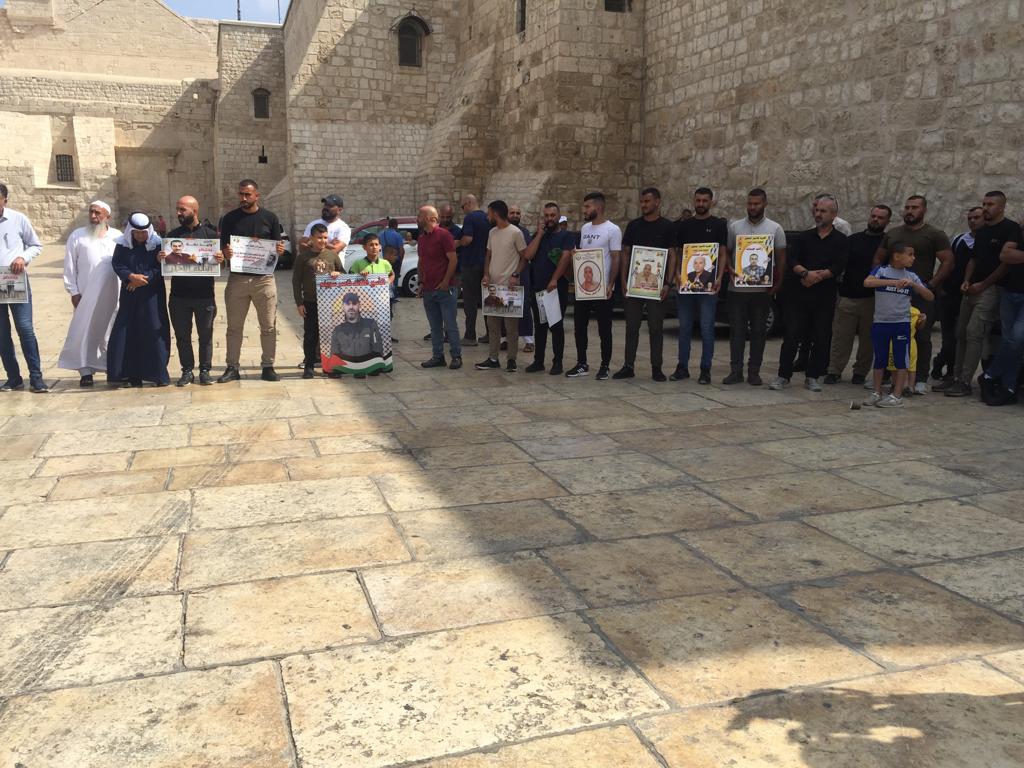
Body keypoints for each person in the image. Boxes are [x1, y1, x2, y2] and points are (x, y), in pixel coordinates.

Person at [873, 195, 953, 393]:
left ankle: (920, 379)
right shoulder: (893, 233)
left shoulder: (934, 234)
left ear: (924, 210)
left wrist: (931, 285)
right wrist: (881, 281)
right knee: (890, 336)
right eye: (907, 207)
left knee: (921, 336)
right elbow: (878, 258)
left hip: (919, 292)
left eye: (914, 207)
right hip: (893, 293)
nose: (910, 211)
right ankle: (888, 376)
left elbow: (948, 261)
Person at [770, 196, 848, 392]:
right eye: (817, 210)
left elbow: (839, 265)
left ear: (834, 214)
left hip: (824, 296)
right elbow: (792, 260)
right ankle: (783, 375)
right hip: (799, 294)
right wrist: (805, 273)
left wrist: (818, 277)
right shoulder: (804, 237)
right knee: (792, 335)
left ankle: (812, 376)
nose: (818, 214)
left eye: (823, 211)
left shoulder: (841, 240)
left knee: (821, 337)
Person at [947, 193, 1021, 398]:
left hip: (991, 289)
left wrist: (984, 284)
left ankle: (965, 381)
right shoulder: (982, 231)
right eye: (984, 204)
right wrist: (967, 280)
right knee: (961, 332)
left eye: (990, 204)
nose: (986, 207)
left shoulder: (1010, 229)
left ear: (1001, 207)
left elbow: (1005, 264)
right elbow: (974, 259)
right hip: (972, 287)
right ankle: (955, 377)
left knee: (974, 333)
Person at [217, 179, 285, 383]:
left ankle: (268, 366)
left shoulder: (270, 218)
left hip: (264, 280)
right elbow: (223, 247)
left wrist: (279, 250)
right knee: (234, 326)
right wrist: (226, 252)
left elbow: (276, 247)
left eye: (247, 194)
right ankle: (232, 367)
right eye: (241, 194)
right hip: (238, 279)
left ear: (257, 195)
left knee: (268, 326)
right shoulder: (229, 218)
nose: (244, 198)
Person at [160, 196, 223, 387]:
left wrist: (221, 259)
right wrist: (162, 258)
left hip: (205, 296)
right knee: (182, 337)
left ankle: (205, 371)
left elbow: (219, 264)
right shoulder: (172, 236)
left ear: (195, 211)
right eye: (177, 209)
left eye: (182, 210)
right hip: (179, 296)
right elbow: (167, 262)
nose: (178, 213)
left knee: (206, 336)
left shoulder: (211, 235)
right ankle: (187, 371)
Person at [825, 204, 892, 386]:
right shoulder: (853, 240)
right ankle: (834, 370)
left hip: (873, 299)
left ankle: (860, 372)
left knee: (868, 341)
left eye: (880, 217)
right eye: (873, 216)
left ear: (887, 221)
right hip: (848, 296)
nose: (875, 220)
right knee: (840, 337)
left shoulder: (887, 243)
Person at [725, 187, 786, 386]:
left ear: (765, 204)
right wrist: (729, 267)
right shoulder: (735, 227)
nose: (752, 207)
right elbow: (727, 253)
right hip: (737, 291)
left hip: (761, 292)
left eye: (756, 204)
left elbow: (781, 259)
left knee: (759, 332)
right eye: (750, 203)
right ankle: (735, 372)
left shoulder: (775, 229)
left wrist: (778, 284)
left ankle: (754, 372)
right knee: (737, 332)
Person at [58, 200, 122, 387]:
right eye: (91, 212)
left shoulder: (117, 237)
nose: (93, 216)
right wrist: (73, 291)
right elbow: (70, 266)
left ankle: (112, 367)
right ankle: (85, 370)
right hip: (86, 295)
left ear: (107, 216)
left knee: (110, 330)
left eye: (97, 213)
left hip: (112, 294)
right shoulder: (77, 236)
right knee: (85, 330)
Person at [615, 187, 675, 381]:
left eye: (647, 201)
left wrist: (668, 283)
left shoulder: (667, 226)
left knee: (656, 328)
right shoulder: (634, 226)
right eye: (642, 202)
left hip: (656, 287)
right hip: (634, 285)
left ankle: (657, 368)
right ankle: (628, 366)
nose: (643, 205)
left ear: (657, 202)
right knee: (631, 327)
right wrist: (623, 280)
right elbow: (625, 253)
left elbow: (672, 255)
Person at [863, 244, 934, 408]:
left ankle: (897, 395)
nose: (913, 258)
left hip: (901, 324)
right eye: (910, 254)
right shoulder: (881, 271)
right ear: (896, 256)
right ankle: (876, 392)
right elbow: (867, 282)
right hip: (881, 322)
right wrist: (894, 282)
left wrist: (914, 285)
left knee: (901, 359)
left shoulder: (911, 276)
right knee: (879, 359)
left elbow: (930, 297)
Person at [107, 213, 171, 387]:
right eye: (137, 232)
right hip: (130, 293)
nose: (141, 236)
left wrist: (142, 280)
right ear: (131, 232)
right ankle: (128, 374)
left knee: (153, 329)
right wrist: (130, 276)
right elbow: (117, 263)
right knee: (128, 330)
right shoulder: (122, 245)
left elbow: (161, 267)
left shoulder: (157, 245)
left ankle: (158, 374)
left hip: (152, 294)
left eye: (144, 232)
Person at [674, 187, 729, 384]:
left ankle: (705, 369)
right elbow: (678, 253)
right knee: (684, 328)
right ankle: (682, 367)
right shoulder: (684, 226)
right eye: (698, 200)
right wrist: (677, 273)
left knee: (706, 329)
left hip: (709, 287)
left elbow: (722, 253)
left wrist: (719, 277)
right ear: (694, 201)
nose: (701, 204)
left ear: (711, 202)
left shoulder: (719, 225)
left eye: (705, 201)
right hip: (686, 286)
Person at [568, 191, 621, 380]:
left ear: (598, 207)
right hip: (584, 288)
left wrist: (610, 284)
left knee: (604, 328)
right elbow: (584, 255)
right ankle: (582, 363)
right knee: (579, 326)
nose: (584, 210)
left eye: (587, 206)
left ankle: (605, 366)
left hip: (603, 287)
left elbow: (616, 258)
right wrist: (576, 256)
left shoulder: (612, 230)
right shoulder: (585, 228)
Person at [0, 182, 47, 393]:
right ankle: (13, 377)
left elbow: (36, 245)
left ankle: (36, 378)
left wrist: (22, 257)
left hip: (12, 279)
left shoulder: (18, 219)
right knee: (2, 333)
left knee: (25, 328)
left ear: (5, 200)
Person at [931, 207, 983, 390]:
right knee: (949, 339)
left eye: (977, 217)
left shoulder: (988, 241)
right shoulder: (960, 239)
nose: (973, 221)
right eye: (970, 218)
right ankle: (944, 367)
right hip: (951, 295)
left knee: (963, 336)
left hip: (972, 296)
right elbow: (948, 263)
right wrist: (939, 287)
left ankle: (952, 372)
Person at [978, 207, 1024, 406]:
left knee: (1016, 338)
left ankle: (989, 375)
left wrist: (1018, 255)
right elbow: (1005, 255)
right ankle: (1009, 387)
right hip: (1011, 292)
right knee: (1010, 341)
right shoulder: (1016, 232)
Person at [522, 201, 573, 374]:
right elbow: (528, 255)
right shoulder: (539, 235)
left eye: (552, 215)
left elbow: (565, 258)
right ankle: (539, 361)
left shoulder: (566, 236)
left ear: (558, 216)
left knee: (556, 326)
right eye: (546, 216)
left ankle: (557, 363)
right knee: (540, 326)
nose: (549, 218)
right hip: (538, 289)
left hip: (556, 290)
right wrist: (539, 235)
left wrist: (554, 279)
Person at [476, 200, 527, 371]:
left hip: (510, 288)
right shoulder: (492, 232)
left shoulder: (516, 233)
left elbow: (524, 256)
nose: (487, 216)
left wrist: (516, 274)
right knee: (493, 325)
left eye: (489, 213)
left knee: (511, 327)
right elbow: (488, 255)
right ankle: (493, 358)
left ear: (495, 214)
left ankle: (511, 359)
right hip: (493, 287)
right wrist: (486, 274)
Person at [293, 223, 344, 379]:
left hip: (330, 303)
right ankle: (309, 366)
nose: (323, 241)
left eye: (325, 237)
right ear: (312, 238)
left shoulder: (332, 256)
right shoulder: (303, 257)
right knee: (310, 335)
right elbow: (296, 281)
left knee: (330, 335)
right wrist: (299, 303)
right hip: (311, 302)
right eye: (319, 237)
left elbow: (343, 274)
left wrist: (338, 274)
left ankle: (330, 366)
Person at [417, 205, 462, 370]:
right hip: (429, 289)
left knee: (450, 325)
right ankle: (438, 356)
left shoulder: (444, 235)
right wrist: (421, 282)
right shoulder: (422, 239)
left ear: (429, 218)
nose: (417, 219)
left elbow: (453, 260)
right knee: (435, 327)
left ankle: (456, 356)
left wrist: (445, 281)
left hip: (445, 289)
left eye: (419, 216)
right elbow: (421, 261)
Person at [456, 194, 492, 344]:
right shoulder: (487, 218)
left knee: (470, 300)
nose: (463, 210)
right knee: (487, 301)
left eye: (462, 206)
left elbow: (468, 239)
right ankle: (490, 334)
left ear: (468, 203)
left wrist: (457, 243)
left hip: (471, 264)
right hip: (486, 265)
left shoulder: (470, 218)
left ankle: (470, 336)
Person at [330, 292, 383, 379]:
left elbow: (378, 348)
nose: (351, 307)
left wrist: (373, 367)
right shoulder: (337, 330)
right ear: (343, 306)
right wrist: (336, 369)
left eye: (354, 303)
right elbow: (334, 355)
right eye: (348, 304)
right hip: (346, 367)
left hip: (368, 366)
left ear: (359, 305)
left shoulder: (371, 324)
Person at [507, 205, 535, 354]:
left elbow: (527, 254)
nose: (515, 215)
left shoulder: (523, 232)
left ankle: (529, 340)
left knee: (524, 307)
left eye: (518, 213)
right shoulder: (500, 231)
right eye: (512, 213)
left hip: (521, 273)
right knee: (505, 306)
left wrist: (517, 273)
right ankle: (506, 339)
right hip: (505, 274)